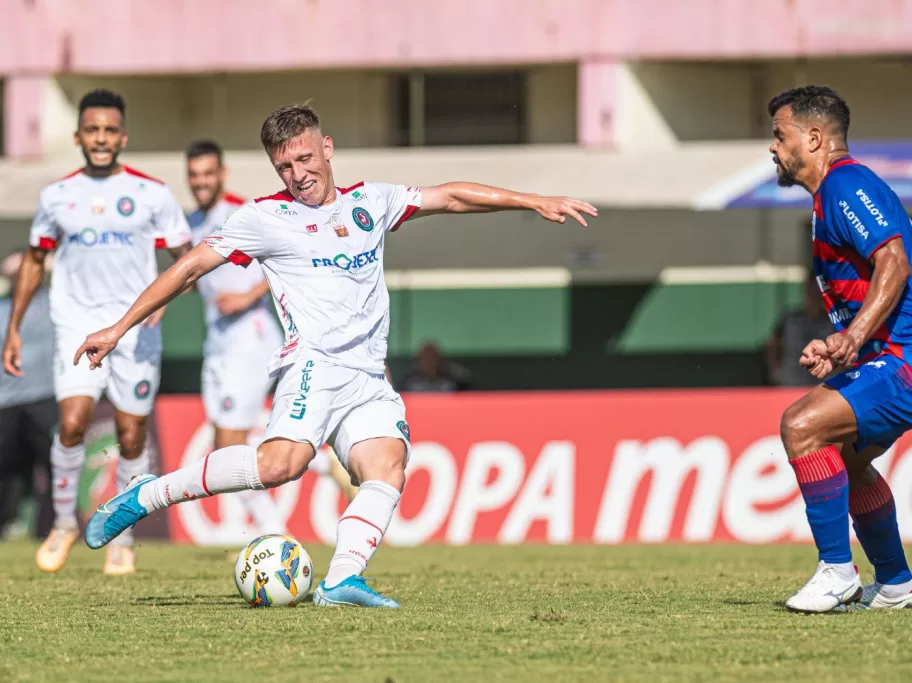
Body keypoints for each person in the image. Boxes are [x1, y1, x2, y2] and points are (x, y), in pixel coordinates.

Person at [76, 102, 597, 608]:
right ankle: (148, 495)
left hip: (367, 375)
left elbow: (452, 196)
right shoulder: (264, 217)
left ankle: (341, 579)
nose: (298, 173)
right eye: (284, 165)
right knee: (281, 466)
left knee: (388, 467)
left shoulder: (370, 201)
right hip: (314, 365)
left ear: (327, 148)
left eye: (304, 158)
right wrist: (120, 327)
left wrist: (531, 200)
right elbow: (188, 268)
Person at [768, 86, 912, 612]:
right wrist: (840, 344)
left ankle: (837, 572)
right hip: (900, 358)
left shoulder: (845, 183)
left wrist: (852, 340)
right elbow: (877, 285)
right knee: (846, 462)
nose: (773, 148)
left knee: (801, 426)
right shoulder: (831, 194)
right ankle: (896, 585)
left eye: (779, 136)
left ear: (813, 137)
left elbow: (893, 263)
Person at [2, 89, 192, 575]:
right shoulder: (57, 196)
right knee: (71, 422)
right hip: (77, 327)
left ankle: (122, 539)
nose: (101, 138)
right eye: (92, 130)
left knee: (131, 436)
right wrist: (15, 328)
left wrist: (162, 306)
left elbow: (187, 262)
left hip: (134, 331)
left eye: (110, 130)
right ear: (78, 136)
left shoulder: (152, 193)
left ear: (122, 136)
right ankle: (64, 523)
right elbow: (35, 261)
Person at [185, 139, 287, 534]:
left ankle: (275, 533)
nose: (201, 182)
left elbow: (285, 259)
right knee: (224, 444)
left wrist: (248, 295)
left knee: (230, 447)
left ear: (222, 174)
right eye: (194, 175)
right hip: (218, 345)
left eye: (209, 173)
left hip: (251, 341)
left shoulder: (243, 214)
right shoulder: (192, 223)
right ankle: (320, 462)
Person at [0, 250, 58, 538]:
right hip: (6, 400)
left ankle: (56, 527)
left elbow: (62, 265)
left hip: (44, 395)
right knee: (6, 468)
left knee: (53, 463)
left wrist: (34, 261)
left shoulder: (51, 300)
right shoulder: (3, 307)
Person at [763, 275, 836, 387]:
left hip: (823, 386)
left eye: (817, 291)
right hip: (791, 383)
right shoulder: (790, 319)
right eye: (812, 290)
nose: (814, 294)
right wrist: (775, 371)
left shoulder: (832, 321)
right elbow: (772, 344)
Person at [400, 341, 471, 392]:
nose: (430, 363)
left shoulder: (449, 382)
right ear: (419, 361)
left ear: (439, 360)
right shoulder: (410, 383)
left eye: (433, 358)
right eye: (426, 359)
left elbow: (466, 378)